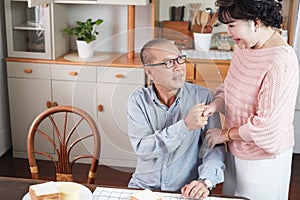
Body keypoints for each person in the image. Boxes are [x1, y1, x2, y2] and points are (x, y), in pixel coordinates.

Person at [203, 0, 299, 200]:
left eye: (231, 25)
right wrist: (215, 105)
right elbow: (231, 89)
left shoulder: (280, 61)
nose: (228, 32)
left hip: (262, 160)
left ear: (255, 22)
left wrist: (225, 134)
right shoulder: (244, 46)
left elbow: (267, 127)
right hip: (236, 149)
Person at [127, 38, 226, 199]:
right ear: (149, 71)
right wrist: (185, 126)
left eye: (180, 59)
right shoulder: (138, 101)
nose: (179, 67)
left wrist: (205, 181)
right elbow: (143, 149)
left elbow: (213, 147)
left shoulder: (203, 96)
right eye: (168, 63)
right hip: (143, 188)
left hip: (185, 191)